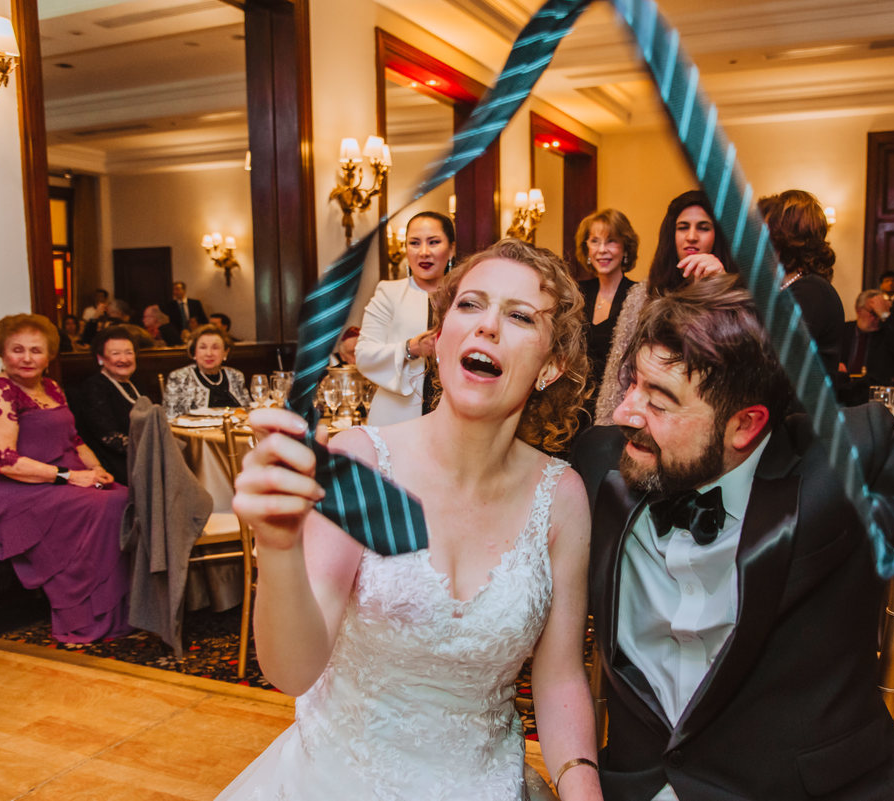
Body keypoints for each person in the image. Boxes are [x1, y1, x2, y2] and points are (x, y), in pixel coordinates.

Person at [569, 275, 894, 800]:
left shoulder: (844, 463)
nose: (624, 413)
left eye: (659, 400)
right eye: (632, 383)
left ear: (745, 426)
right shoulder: (599, 463)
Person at [219, 239, 602, 801]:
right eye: (469, 306)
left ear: (551, 366)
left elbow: (561, 674)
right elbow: (291, 671)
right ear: (440, 338)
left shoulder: (562, 496)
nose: (487, 327)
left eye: (519, 316)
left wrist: (581, 785)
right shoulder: (360, 462)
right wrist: (277, 549)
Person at [0, 313, 131, 643]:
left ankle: (119, 611)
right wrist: (70, 476)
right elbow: (4, 460)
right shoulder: (2, 390)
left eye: (36, 350)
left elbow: (75, 440)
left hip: (65, 478)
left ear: (49, 356)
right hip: (21, 488)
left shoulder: (53, 387)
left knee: (124, 494)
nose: (27, 358)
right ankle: (82, 614)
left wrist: (97, 470)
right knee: (107, 505)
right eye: (18, 349)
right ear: (2, 352)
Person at [593, 190, 732, 424]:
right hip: (641, 419)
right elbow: (619, 372)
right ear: (671, 235)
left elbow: (729, 368)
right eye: (683, 227)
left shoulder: (735, 294)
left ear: (717, 236)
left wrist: (718, 288)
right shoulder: (643, 294)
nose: (691, 236)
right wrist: (606, 426)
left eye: (703, 228)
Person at [356, 211, 456, 424]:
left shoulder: (466, 297)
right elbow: (363, 355)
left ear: (451, 248)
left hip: (454, 416)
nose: (424, 252)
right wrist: (410, 349)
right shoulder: (388, 293)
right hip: (396, 417)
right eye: (414, 243)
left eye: (434, 242)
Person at [758, 189, 845, 377]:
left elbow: (773, 361)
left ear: (784, 237)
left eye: (765, 231)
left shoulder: (811, 291)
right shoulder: (790, 289)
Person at [574, 209, 639, 425]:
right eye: (595, 241)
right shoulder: (577, 294)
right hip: (574, 405)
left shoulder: (639, 296)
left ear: (625, 248)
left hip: (617, 408)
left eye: (611, 241)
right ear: (587, 248)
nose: (602, 250)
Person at [70, 326, 146, 486]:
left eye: (128, 352)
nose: (124, 359)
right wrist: (151, 449)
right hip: (113, 464)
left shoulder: (133, 384)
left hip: (139, 456)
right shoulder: (94, 388)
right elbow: (109, 437)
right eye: (115, 353)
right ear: (101, 359)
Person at [839, 289, 894, 404]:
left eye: (880, 314)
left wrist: (886, 315)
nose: (877, 319)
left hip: (874, 397)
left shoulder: (887, 333)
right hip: (843, 393)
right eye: (873, 313)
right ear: (858, 311)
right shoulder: (843, 330)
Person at [163, 324, 249, 419]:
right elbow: (170, 418)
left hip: (235, 430)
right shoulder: (179, 377)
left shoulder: (236, 375)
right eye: (203, 347)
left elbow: (247, 411)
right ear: (194, 352)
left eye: (215, 348)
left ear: (225, 352)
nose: (209, 353)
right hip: (194, 432)